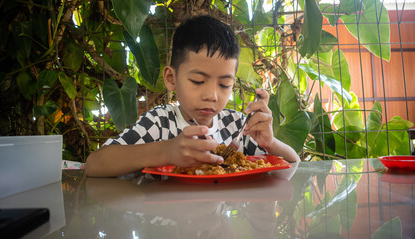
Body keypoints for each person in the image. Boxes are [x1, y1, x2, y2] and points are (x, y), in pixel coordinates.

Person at [85, 15, 300, 177]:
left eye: (225, 84)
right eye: (198, 81)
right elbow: (95, 164)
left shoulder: (236, 127)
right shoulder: (160, 123)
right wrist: (166, 151)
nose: (212, 95)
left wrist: (270, 142)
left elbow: (291, 163)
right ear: (171, 78)